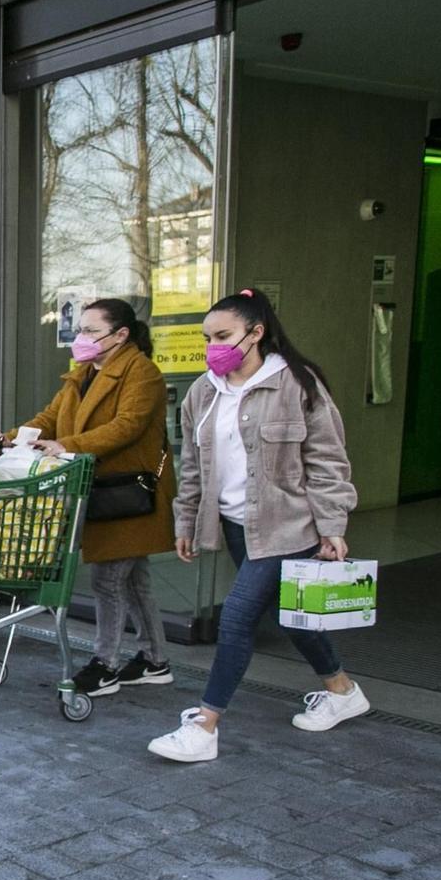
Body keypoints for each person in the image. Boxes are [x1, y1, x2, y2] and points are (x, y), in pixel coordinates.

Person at [150, 287, 368, 763]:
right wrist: (184, 520)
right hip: (232, 524)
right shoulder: (203, 392)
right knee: (287, 614)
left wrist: (332, 525)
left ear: (256, 332)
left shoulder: (298, 384)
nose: (213, 347)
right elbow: (193, 466)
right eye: (208, 338)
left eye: (223, 335)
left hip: (288, 525)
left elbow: (328, 460)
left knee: (237, 616)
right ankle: (342, 689)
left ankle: (205, 725)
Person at [0, 297, 175, 696]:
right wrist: (12, 437)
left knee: (110, 580)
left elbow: (127, 426)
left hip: (129, 492)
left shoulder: (141, 373)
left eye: (91, 331)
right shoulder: (84, 373)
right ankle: (154, 659)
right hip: (106, 490)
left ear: (121, 334)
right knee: (133, 582)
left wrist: (67, 446)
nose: (82, 338)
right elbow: (49, 417)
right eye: (80, 330)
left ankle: (104, 665)